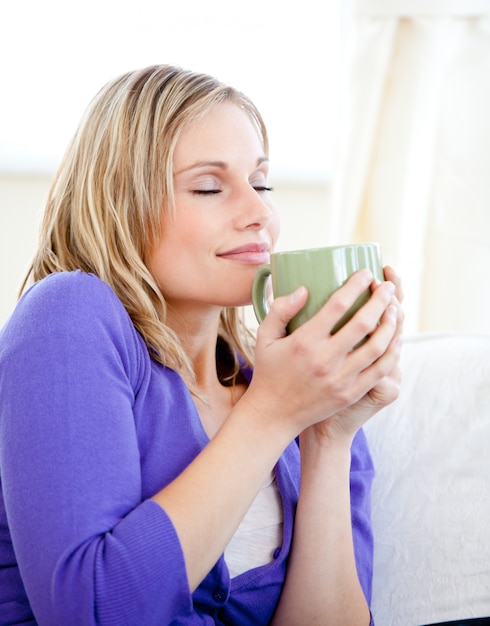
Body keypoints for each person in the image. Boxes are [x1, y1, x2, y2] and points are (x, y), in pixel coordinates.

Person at [0, 64, 403, 625]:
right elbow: (90, 611)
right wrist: (271, 415)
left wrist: (328, 437)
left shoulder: (299, 392)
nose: (260, 213)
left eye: (261, 184)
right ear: (120, 204)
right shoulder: (69, 317)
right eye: (209, 187)